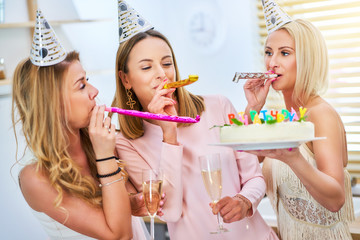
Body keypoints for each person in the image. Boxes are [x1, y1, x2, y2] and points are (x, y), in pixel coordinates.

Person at [110, 1, 279, 239]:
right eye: (147, 67)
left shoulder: (217, 106)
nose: (162, 73)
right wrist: (169, 135)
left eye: (167, 63)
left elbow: (254, 177)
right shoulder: (127, 142)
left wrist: (245, 200)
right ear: (126, 79)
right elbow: (170, 212)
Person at [12, 10, 151, 240]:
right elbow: (119, 235)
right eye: (81, 86)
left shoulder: (102, 144)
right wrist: (105, 156)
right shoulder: (35, 178)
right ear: (53, 104)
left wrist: (131, 204)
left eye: (89, 81)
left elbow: (123, 210)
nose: (94, 92)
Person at [242, 1, 354, 239]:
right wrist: (253, 107)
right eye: (268, 52)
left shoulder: (320, 114)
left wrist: (293, 158)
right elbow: (242, 163)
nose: (272, 63)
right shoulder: (282, 118)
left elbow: (335, 200)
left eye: (284, 53)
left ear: (307, 60)